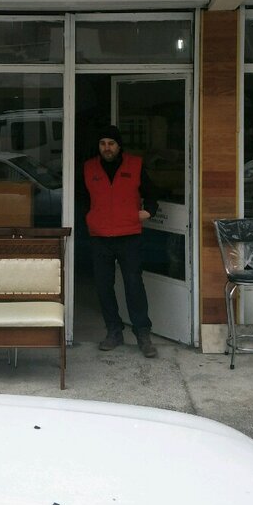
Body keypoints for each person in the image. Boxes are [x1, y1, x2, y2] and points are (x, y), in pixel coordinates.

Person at [83, 125, 158, 357]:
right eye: (102, 143)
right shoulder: (88, 167)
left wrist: (149, 211)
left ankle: (142, 334)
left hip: (129, 235)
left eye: (111, 143)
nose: (107, 148)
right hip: (100, 237)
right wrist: (90, 218)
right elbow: (81, 197)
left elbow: (152, 192)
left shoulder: (135, 165)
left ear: (119, 145)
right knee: (103, 286)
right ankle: (114, 331)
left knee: (134, 284)